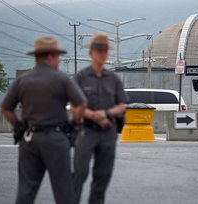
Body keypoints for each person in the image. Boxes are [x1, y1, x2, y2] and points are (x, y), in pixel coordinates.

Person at [1, 37, 86, 204]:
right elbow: (81, 104)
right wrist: (74, 125)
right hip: (56, 138)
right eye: (58, 57)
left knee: (26, 190)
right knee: (64, 191)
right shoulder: (62, 79)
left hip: (29, 139)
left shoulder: (22, 80)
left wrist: (19, 127)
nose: (60, 61)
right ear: (51, 56)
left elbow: (6, 109)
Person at [73, 33, 127, 204]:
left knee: (103, 175)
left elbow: (122, 105)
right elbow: (74, 106)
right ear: (91, 52)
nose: (103, 54)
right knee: (79, 173)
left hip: (108, 132)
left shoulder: (114, 79)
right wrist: (93, 116)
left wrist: (106, 114)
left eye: (105, 50)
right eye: (99, 50)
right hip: (86, 131)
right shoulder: (80, 77)